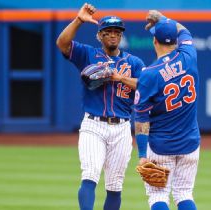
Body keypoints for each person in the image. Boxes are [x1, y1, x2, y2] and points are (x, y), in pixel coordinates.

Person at [56, 3, 145, 210]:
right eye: (108, 32)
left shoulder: (134, 62)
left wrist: (119, 77)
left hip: (122, 128)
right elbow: (62, 43)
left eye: (117, 32)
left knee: (115, 186)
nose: (113, 35)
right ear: (100, 36)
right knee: (90, 175)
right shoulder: (88, 54)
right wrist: (79, 20)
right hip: (93, 126)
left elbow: (146, 85)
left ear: (121, 36)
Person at [134, 10, 201, 210]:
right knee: (184, 193)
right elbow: (184, 31)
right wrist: (164, 19)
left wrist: (142, 154)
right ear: (175, 42)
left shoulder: (149, 74)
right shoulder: (189, 56)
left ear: (155, 41)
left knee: (158, 195)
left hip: (161, 145)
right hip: (190, 143)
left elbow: (141, 118)